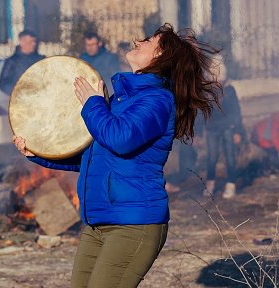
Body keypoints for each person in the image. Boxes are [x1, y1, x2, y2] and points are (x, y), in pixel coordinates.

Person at [13, 24, 221, 288]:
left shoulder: (157, 100)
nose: (138, 41)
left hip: (134, 225)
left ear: (161, 56)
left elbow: (120, 139)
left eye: (148, 41)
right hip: (98, 225)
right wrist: (39, 154)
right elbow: (94, 157)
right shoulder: (122, 101)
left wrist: (92, 102)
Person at [203, 62, 245, 199]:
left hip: (228, 128)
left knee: (230, 157)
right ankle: (210, 185)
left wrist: (238, 131)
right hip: (212, 129)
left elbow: (236, 112)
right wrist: (197, 133)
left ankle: (230, 185)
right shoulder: (206, 91)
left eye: (220, 78)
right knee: (212, 158)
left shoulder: (230, 90)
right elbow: (200, 112)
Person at [0, 30, 45, 96]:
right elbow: (3, 84)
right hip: (20, 101)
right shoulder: (12, 61)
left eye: (34, 41)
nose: (34, 44)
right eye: (30, 42)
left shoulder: (40, 59)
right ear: (22, 42)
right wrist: (19, 92)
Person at [251, 112, 279, 176]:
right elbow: (274, 136)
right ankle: (271, 169)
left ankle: (271, 168)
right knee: (272, 152)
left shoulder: (275, 120)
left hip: (264, 137)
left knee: (272, 152)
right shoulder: (275, 123)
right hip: (260, 138)